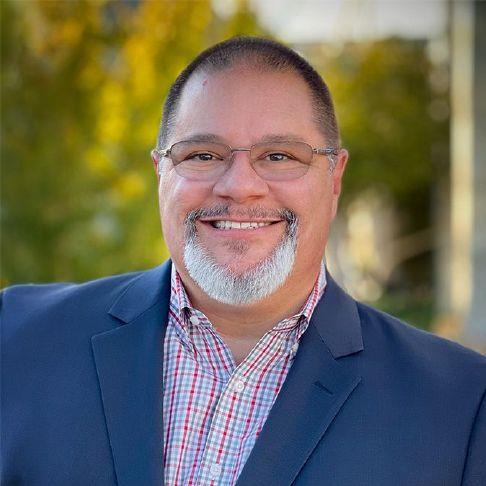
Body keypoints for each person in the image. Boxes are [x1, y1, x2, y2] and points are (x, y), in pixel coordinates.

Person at [1, 36, 485, 486]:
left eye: (279, 156)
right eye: (203, 155)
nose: (239, 186)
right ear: (161, 172)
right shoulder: (16, 338)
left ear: (334, 177)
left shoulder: (461, 405)